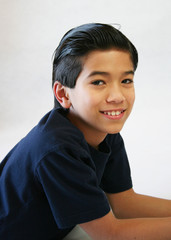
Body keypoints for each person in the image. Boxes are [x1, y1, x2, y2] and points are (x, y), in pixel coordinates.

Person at [0, 23, 171, 240]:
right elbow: (110, 234)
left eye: (126, 80)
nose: (117, 96)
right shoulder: (57, 150)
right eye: (99, 82)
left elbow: (124, 203)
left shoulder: (105, 132)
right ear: (63, 94)